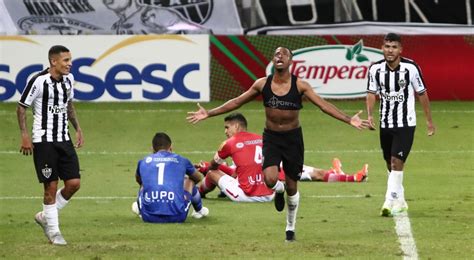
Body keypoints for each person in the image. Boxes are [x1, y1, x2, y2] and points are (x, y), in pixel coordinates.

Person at [187, 47, 370, 242]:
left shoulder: (300, 86)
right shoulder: (261, 84)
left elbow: (324, 105)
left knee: (293, 187)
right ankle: (278, 189)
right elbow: (237, 102)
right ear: (273, 61)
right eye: (276, 54)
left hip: (293, 140)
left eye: (283, 54)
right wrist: (210, 113)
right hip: (271, 138)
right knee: (270, 180)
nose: (279, 56)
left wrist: (348, 119)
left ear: (291, 61)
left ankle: (290, 226)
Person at [196, 113, 369, 199]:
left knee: (212, 172)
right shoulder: (261, 139)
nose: (225, 131)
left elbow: (234, 172)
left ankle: (198, 194)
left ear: (236, 126)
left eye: (227, 127)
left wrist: (206, 167)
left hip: (255, 186)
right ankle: (349, 176)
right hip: (275, 173)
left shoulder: (231, 144)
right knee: (312, 173)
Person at [17, 45, 83, 245]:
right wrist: (25, 136)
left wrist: (78, 128)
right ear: (54, 61)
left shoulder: (69, 80)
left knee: (74, 183)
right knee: (50, 187)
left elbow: (68, 105)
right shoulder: (38, 81)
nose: (69, 64)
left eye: (70, 60)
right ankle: (54, 233)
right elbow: (21, 108)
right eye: (65, 60)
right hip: (43, 140)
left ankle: (46, 216)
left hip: (64, 138)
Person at [366, 33, 435, 217]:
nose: (390, 50)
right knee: (390, 163)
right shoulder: (375, 69)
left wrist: (429, 121)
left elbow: (422, 93)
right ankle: (401, 201)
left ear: (400, 50)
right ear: (382, 48)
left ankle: (389, 200)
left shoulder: (411, 68)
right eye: (387, 46)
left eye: (394, 47)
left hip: (406, 123)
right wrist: (370, 115)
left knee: (397, 162)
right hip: (385, 123)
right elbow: (371, 93)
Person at [132, 132, 209, 223]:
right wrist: (180, 177)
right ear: (171, 147)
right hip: (177, 216)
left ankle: (141, 209)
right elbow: (198, 178)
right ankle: (199, 211)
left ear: (152, 149)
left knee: (144, 183)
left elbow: (139, 180)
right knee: (189, 181)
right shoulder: (182, 160)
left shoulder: (143, 161)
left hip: (148, 217)